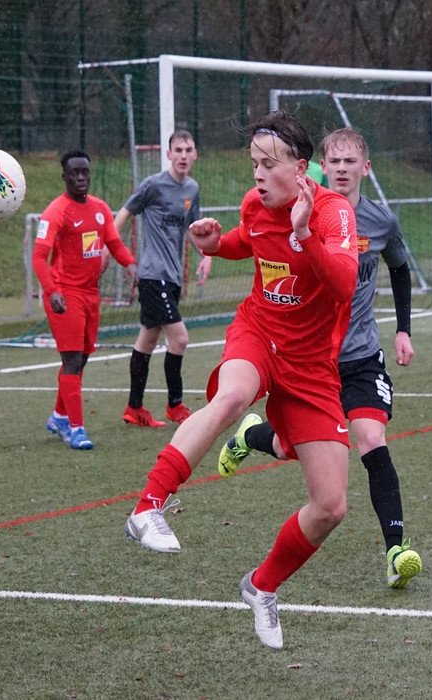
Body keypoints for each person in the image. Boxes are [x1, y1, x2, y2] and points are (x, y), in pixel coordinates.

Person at [123, 111, 359, 650]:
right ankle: (147, 507)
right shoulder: (255, 203)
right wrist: (212, 244)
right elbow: (245, 241)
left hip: (311, 367)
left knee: (331, 506)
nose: (257, 174)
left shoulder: (333, 212)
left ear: (301, 168)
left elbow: (344, 283)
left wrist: (303, 232)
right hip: (258, 333)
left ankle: (261, 586)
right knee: (231, 397)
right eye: (254, 163)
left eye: (269, 164)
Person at [216, 127, 422, 590]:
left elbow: (400, 269)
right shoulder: (303, 211)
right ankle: (253, 435)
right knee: (290, 448)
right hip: (308, 363)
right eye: (335, 162)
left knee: (371, 438)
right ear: (320, 167)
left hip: (360, 357)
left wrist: (403, 329)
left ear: (366, 168)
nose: (343, 170)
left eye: (351, 162)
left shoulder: (381, 222)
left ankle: (395, 550)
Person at [34, 150, 139, 450]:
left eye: (85, 172)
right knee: (72, 360)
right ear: (64, 176)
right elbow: (39, 258)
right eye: (74, 173)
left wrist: (131, 264)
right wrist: (52, 290)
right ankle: (76, 429)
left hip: (90, 294)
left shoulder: (100, 208)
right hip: (65, 293)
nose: (81, 178)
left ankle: (58, 416)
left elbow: (114, 243)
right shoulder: (56, 211)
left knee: (81, 359)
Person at [113, 130, 211, 429]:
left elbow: (193, 229)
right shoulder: (153, 185)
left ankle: (134, 408)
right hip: (152, 276)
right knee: (180, 338)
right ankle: (175, 405)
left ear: (195, 155)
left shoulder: (192, 189)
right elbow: (125, 212)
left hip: (172, 277)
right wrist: (110, 248)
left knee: (148, 339)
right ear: (168, 155)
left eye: (188, 150)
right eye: (178, 150)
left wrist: (206, 255)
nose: (183, 155)